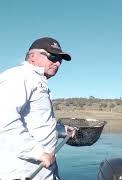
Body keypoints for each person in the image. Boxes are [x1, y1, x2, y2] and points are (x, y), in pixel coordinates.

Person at [0, 37, 76, 180]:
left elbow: (38, 123)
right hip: (23, 172)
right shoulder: (18, 77)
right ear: (32, 56)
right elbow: (4, 121)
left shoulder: (39, 82)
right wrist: (38, 152)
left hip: (45, 169)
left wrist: (62, 130)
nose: (58, 63)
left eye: (60, 59)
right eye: (52, 56)